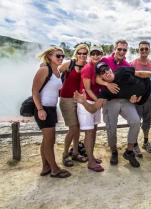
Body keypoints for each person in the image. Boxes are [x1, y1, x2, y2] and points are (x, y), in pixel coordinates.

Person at [74, 62, 151, 167]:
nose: (106, 72)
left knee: (136, 121)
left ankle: (129, 151)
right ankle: (114, 151)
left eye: (107, 69)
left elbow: (140, 73)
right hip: (118, 102)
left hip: (135, 95)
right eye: (103, 72)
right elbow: (93, 108)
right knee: (111, 128)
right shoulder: (105, 91)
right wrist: (83, 102)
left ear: (110, 68)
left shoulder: (121, 71)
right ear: (100, 77)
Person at [32, 46, 71, 178]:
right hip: (43, 108)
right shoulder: (44, 69)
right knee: (50, 140)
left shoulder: (57, 72)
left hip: (51, 108)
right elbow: (34, 91)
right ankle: (54, 169)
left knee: (46, 140)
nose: (61, 58)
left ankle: (45, 166)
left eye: (62, 56)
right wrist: (40, 109)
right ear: (49, 56)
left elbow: (55, 89)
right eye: (57, 56)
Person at [59, 43, 89, 167]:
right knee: (73, 128)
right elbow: (55, 71)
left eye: (84, 53)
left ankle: (75, 152)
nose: (82, 55)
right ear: (76, 53)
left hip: (79, 101)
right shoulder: (69, 64)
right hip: (66, 99)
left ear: (87, 55)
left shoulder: (87, 66)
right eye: (79, 53)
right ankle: (65, 154)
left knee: (78, 128)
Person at [77, 45, 104, 172]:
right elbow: (87, 89)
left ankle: (91, 157)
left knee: (93, 131)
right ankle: (90, 162)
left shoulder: (98, 68)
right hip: (87, 102)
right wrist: (99, 100)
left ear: (101, 54)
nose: (95, 56)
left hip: (95, 101)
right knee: (88, 132)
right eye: (93, 53)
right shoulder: (88, 68)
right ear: (90, 55)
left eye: (98, 53)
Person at [131, 41, 151, 156]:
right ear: (138, 50)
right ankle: (134, 144)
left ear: (149, 50)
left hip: (149, 99)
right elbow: (129, 82)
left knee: (147, 122)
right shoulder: (132, 63)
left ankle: (146, 142)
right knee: (136, 123)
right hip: (137, 100)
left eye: (146, 49)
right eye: (142, 49)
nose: (144, 51)